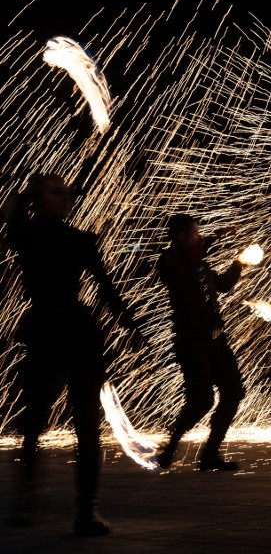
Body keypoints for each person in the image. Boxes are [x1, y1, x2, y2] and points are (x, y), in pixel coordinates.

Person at [3, 173, 141, 536]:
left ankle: (86, 511)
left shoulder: (79, 240)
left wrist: (131, 326)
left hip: (76, 336)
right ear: (35, 199)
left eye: (67, 193)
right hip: (47, 333)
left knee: (86, 426)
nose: (65, 197)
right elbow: (12, 218)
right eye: (54, 192)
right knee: (33, 423)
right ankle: (27, 501)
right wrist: (25, 196)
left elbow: (106, 287)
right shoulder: (25, 236)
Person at [154, 214, 247, 471]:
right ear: (181, 237)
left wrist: (240, 262)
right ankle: (170, 448)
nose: (201, 237)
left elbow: (224, 285)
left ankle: (209, 455)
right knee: (202, 400)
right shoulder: (170, 262)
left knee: (233, 393)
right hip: (192, 343)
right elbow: (188, 259)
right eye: (196, 233)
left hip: (216, 341)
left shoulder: (200, 266)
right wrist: (219, 236)